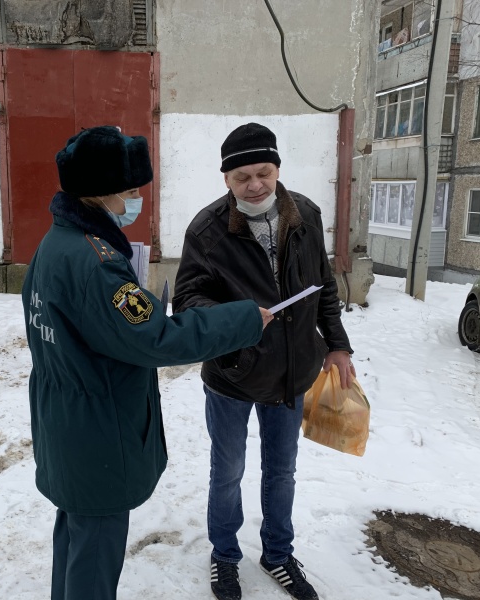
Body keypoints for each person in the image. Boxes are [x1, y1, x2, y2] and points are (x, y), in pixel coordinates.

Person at [22, 125, 274, 600]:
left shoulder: (54, 245)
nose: (134, 200)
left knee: (75, 540)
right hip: (97, 433)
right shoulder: (96, 262)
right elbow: (155, 340)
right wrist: (243, 320)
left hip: (67, 424)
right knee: (94, 555)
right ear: (103, 192)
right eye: (130, 191)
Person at [172, 123, 355, 600]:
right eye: (242, 177)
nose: (255, 185)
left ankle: (277, 554)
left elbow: (325, 286)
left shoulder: (307, 216)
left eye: (264, 172)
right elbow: (187, 301)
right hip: (232, 374)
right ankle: (225, 556)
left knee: (281, 471)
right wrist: (237, 319)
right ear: (226, 180)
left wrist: (337, 344)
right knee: (228, 471)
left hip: (293, 372)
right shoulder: (207, 230)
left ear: (277, 170)